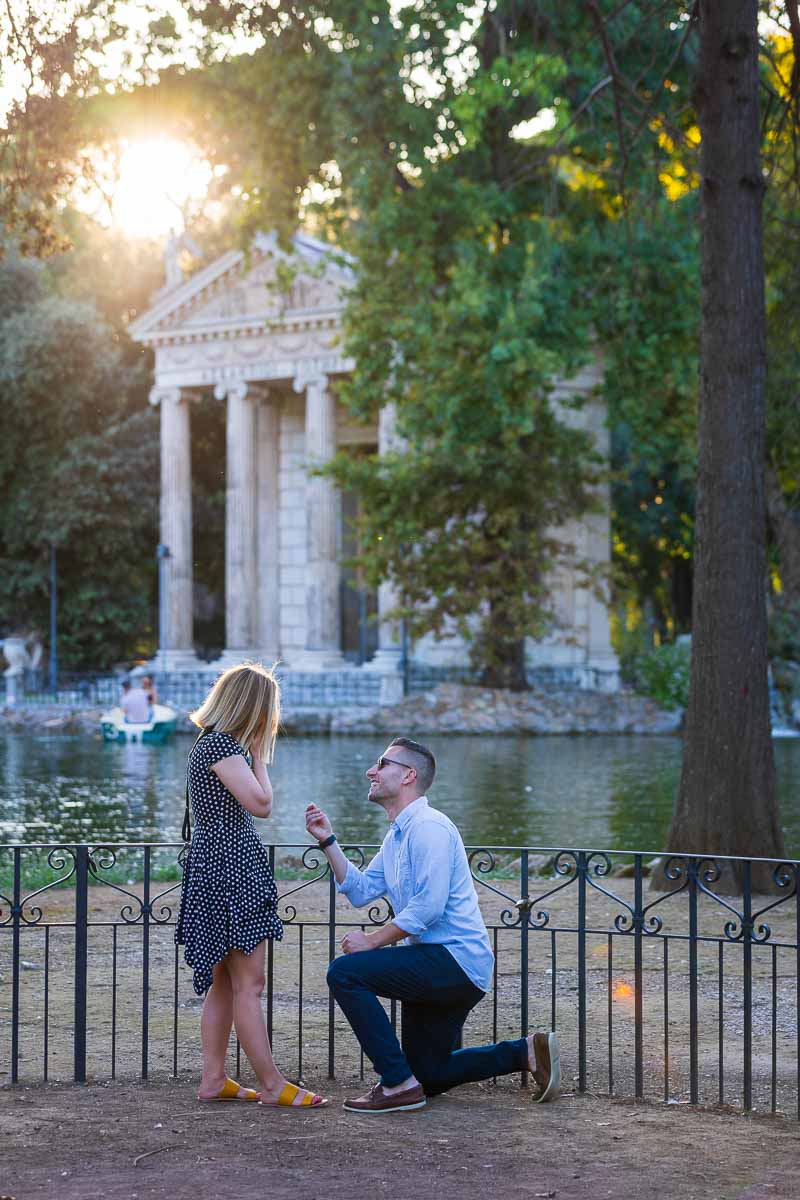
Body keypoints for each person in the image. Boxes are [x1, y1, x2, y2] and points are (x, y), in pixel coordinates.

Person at [305, 736, 560, 1113]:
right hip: (432, 962)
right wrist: (328, 840)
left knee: (345, 973)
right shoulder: (398, 835)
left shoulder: (430, 828)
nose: (370, 772)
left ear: (408, 775)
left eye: (381, 764)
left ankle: (395, 1084)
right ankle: (525, 1052)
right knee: (431, 1074)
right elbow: (359, 891)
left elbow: (428, 908)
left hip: (454, 962)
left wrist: (373, 941)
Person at [176, 662, 327, 1109]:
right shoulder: (224, 747)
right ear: (253, 708)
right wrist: (258, 753)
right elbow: (261, 803)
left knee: (225, 981)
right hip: (230, 866)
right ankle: (271, 1083)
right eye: (268, 711)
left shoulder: (209, 745)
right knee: (249, 982)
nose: (271, 720)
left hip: (216, 863)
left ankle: (214, 1079)